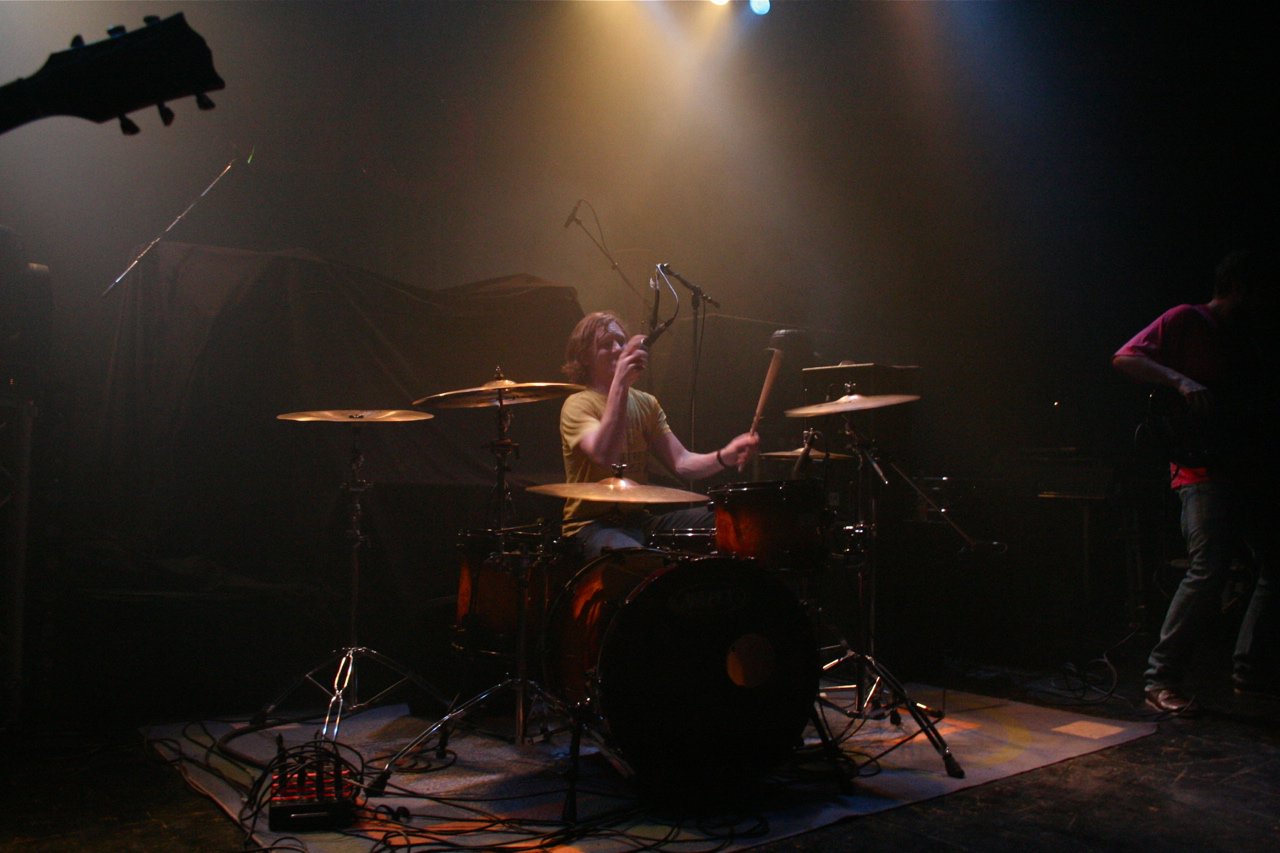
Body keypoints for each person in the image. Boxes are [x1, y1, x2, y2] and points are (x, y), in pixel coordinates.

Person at [1112, 249, 1277, 715]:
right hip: (1201, 470)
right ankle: (1160, 678)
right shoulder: (1187, 318)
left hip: (1244, 467)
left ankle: (1249, 671)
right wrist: (1181, 381)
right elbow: (1125, 358)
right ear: (1240, 286)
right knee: (1209, 568)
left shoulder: (1245, 338)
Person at [558, 310, 759, 559]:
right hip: (590, 526)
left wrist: (726, 455)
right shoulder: (578, 404)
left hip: (638, 519)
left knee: (731, 522)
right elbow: (604, 455)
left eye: (621, 341)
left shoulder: (646, 403)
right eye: (606, 344)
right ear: (584, 357)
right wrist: (621, 383)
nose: (618, 348)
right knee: (635, 558)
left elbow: (681, 462)